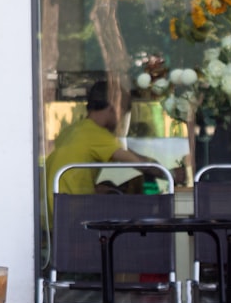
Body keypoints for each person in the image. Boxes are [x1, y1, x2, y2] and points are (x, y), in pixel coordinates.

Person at [44, 80, 187, 211]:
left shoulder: (74, 130)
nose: (121, 119)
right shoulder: (95, 133)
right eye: (124, 111)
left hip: (55, 210)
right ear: (114, 106)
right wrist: (171, 174)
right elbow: (140, 163)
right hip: (71, 216)